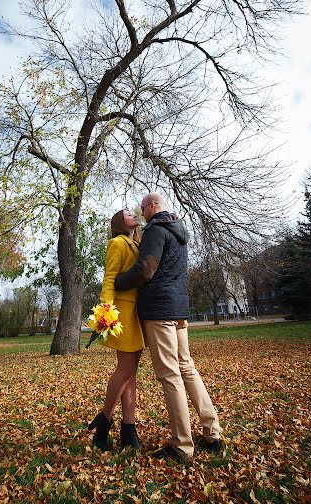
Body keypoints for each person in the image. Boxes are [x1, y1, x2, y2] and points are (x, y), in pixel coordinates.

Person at [115, 193, 222, 462]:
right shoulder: (178, 231)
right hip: (179, 309)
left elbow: (145, 270)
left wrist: (118, 281)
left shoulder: (155, 230)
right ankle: (212, 432)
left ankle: (182, 446)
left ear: (152, 207)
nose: (141, 215)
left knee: (170, 374)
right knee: (186, 367)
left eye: (142, 209)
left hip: (160, 310)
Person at [88, 209, 145, 451]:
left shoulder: (136, 243)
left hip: (138, 314)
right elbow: (110, 277)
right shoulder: (117, 243)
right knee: (124, 369)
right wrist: (106, 311)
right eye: (128, 213)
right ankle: (105, 421)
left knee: (131, 372)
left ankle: (128, 429)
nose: (134, 214)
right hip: (122, 313)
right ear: (120, 222)